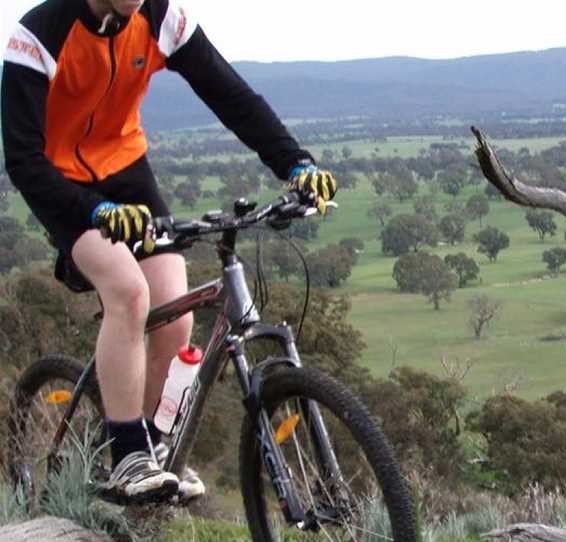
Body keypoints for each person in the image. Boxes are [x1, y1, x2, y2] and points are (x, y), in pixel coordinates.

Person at [1, 0, 336, 503]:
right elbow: (23, 159)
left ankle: (148, 445)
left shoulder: (160, 18)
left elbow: (232, 96)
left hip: (126, 169)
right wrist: (92, 212)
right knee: (129, 294)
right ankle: (128, 454)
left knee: (175, 321)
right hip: (61, 185)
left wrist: (296, 164)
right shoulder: (40, 33)